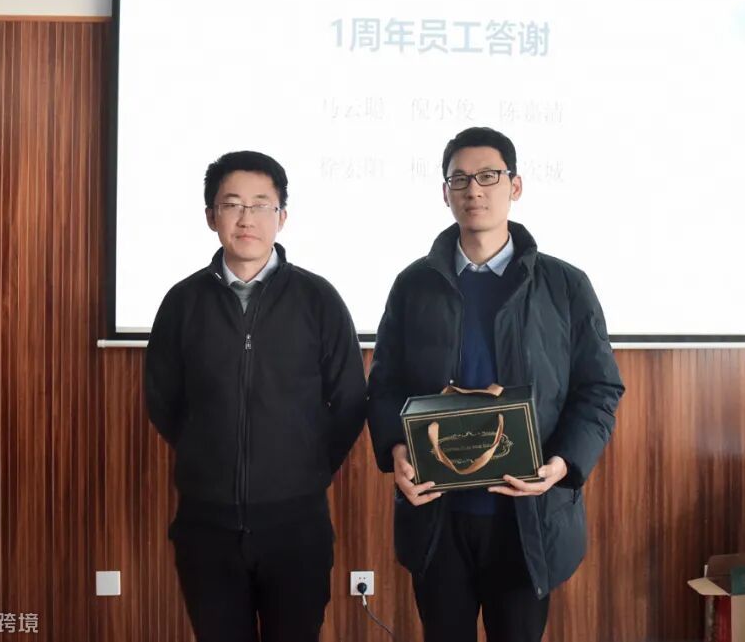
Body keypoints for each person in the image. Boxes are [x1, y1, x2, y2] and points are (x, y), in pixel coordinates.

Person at [367, 127, 625, 642]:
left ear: (516, 185)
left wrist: (561, 465)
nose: (474, 190)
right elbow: (385, 383)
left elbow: (598, 389)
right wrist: (396, 449)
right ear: (445, 193)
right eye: (459, 179)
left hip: (527, 516)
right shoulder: (414, 284)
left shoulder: (564, 285)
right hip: (437, 515)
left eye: (488, 176)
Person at [145, 150, 367, 642]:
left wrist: (307, 465)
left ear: (281, 217)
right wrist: (209, 452)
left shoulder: (318, 299)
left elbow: (350, 399)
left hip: (297, 526)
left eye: (261, 204)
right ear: (211, 216)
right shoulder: (182, 302)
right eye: (232, 204)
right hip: (207, 525)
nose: (246, 218)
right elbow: (163, 399)